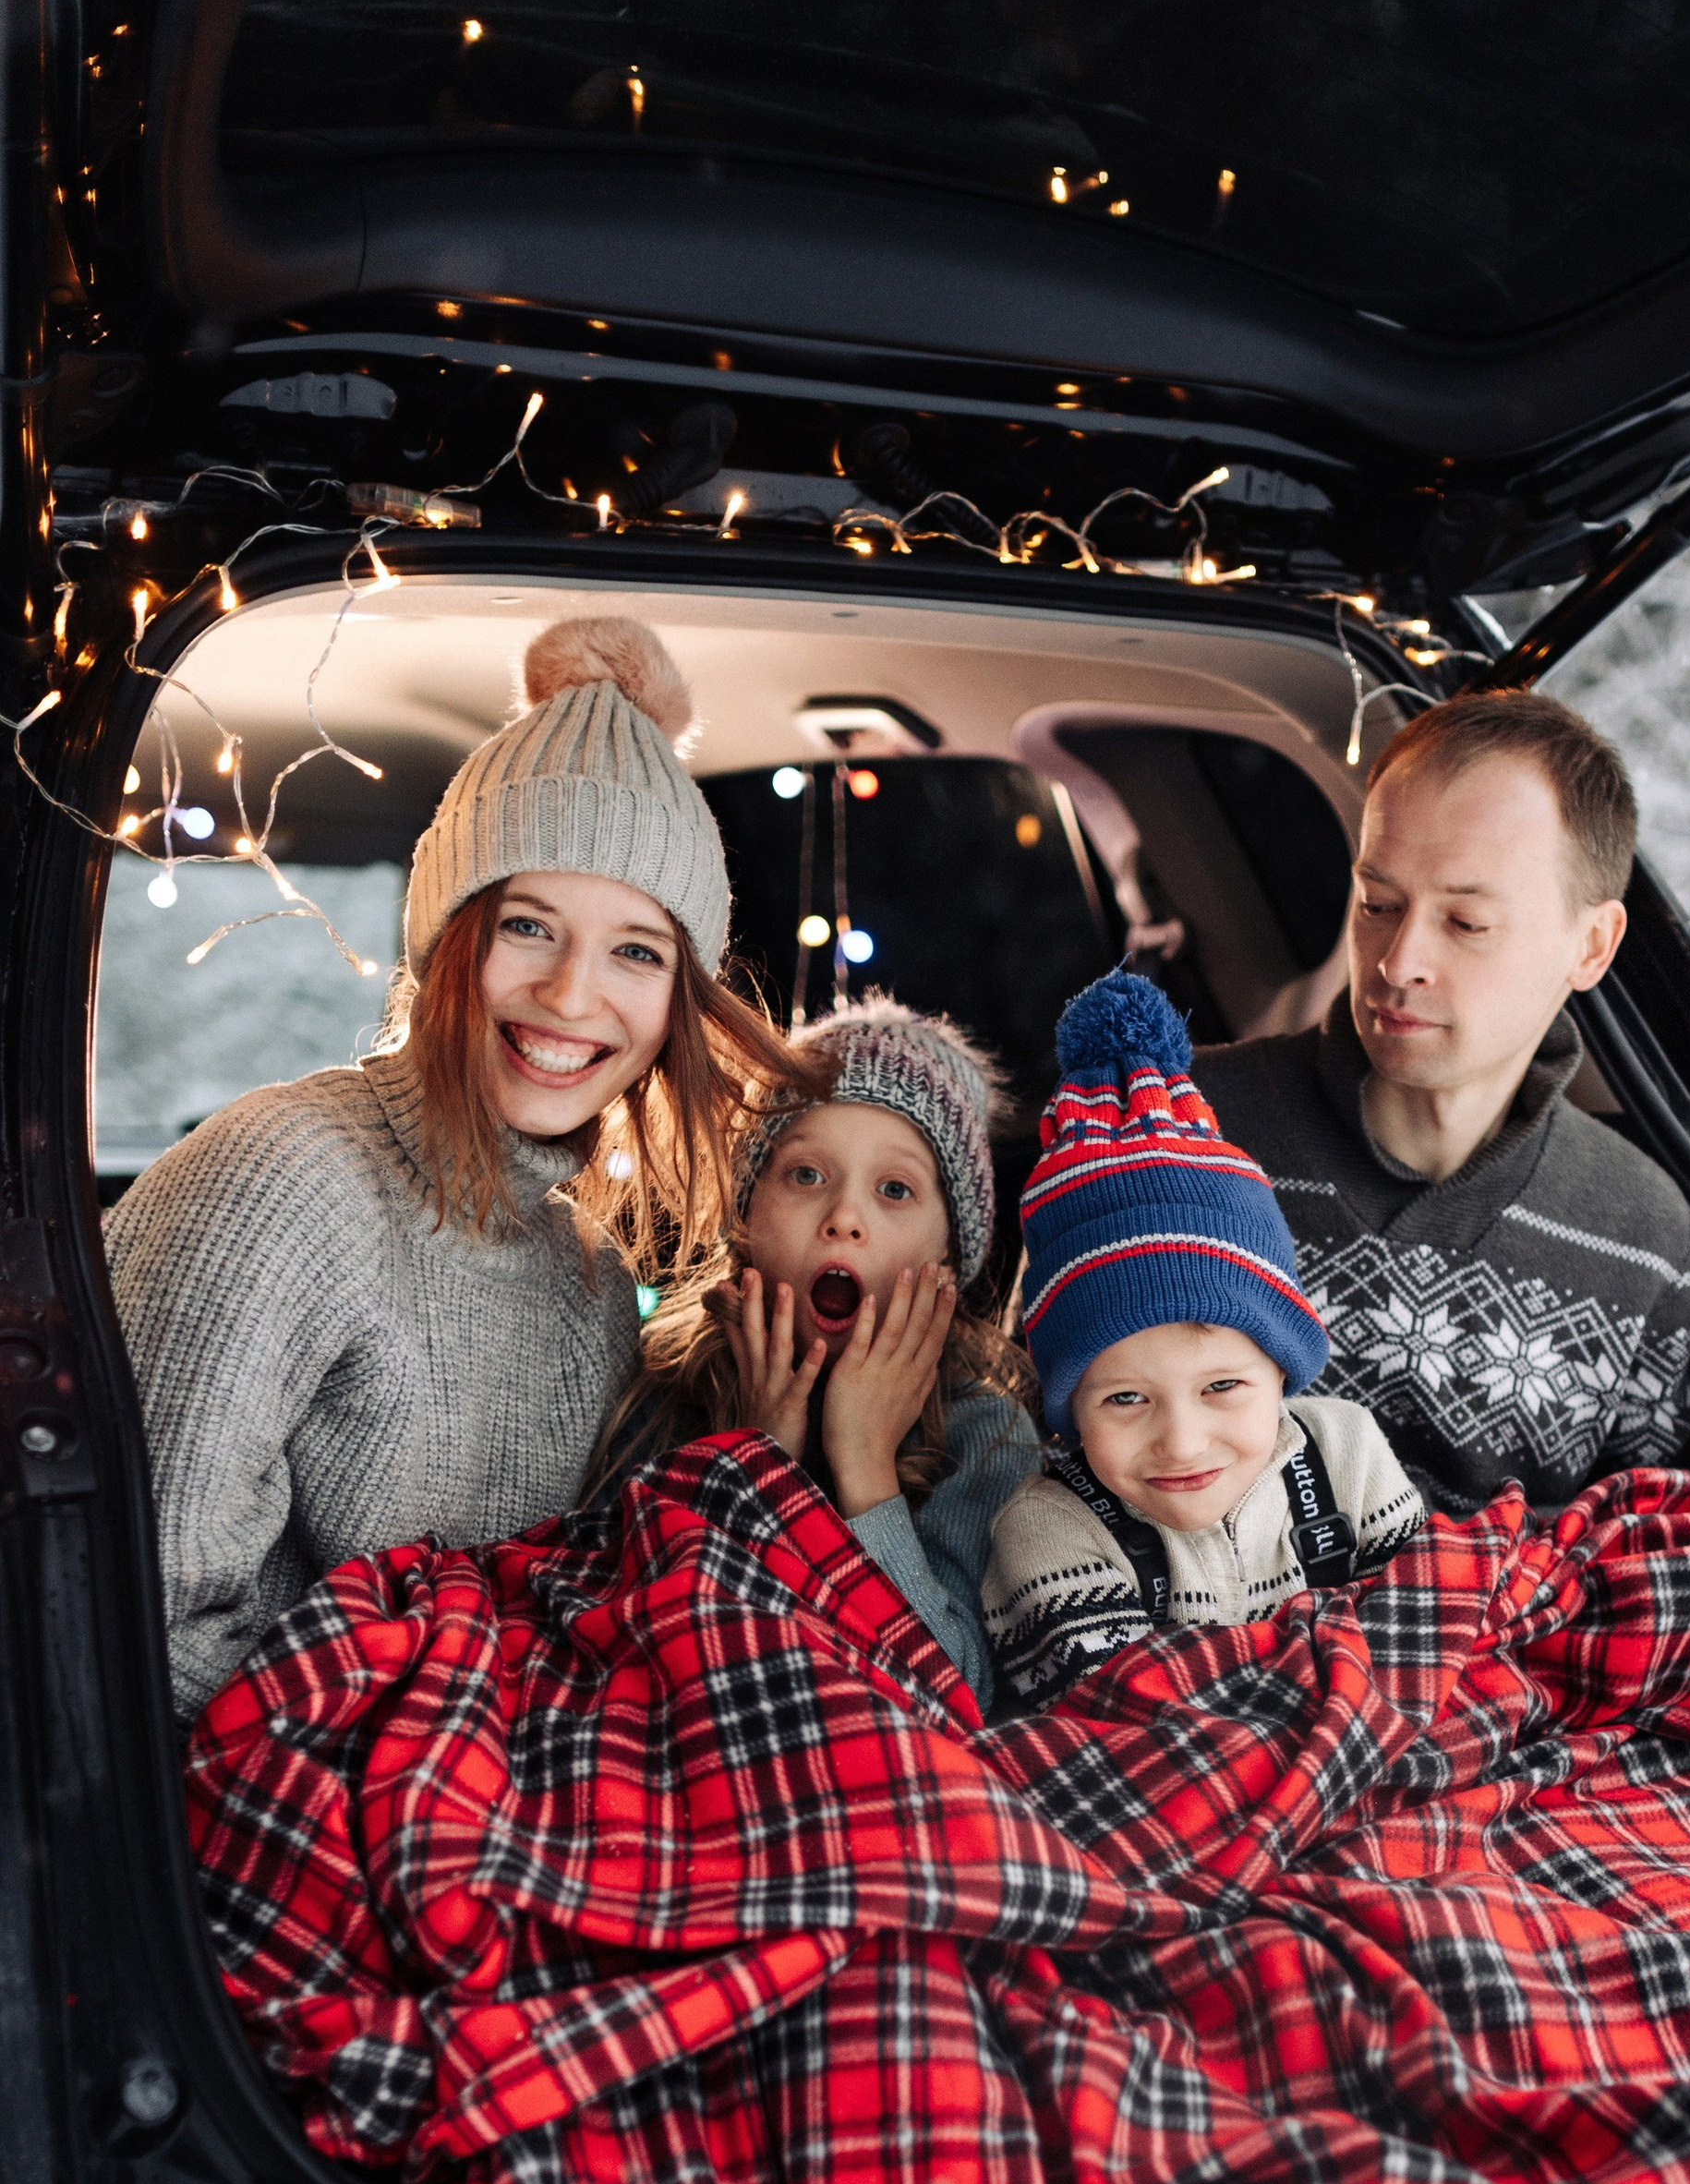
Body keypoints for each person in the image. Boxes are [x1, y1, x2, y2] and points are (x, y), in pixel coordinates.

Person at [106, 612, 794, 1723]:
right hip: (263, 1820)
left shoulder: (591, 1273)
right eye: (530, 925)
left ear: (678, 1001)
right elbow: (133, 1623)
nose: (574, 997)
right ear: (448, 938)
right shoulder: (281, 1181)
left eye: (635, 951)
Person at [1193, 689, 1690, 1517]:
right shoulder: (1183, 1127)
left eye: (1464, 922)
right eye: (1378, 905)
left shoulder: (1645, 1237)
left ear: (1592, 945)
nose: (1398, 962)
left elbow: (1621, 1567)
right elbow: (1033, 1457)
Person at [984, 970, 1420, 1707]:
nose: (1182, 1443)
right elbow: (1141, 1737)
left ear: (1282, 1371)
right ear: (1068, 1406)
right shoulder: (1048, 1533)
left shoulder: (1346, 1457)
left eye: (1222, 1386)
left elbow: (1430, 1642)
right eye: (1125, 1398)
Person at [608, 999, 1040, 1706]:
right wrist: (757, 1461)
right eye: (807, 1175)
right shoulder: (658, 1387)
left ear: (946, 1261)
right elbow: (640, 1651)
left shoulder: (984, 1438)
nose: (845, 1218)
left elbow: (954, 1699)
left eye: (894, 1190)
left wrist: (866, 1469)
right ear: (745, 1214)